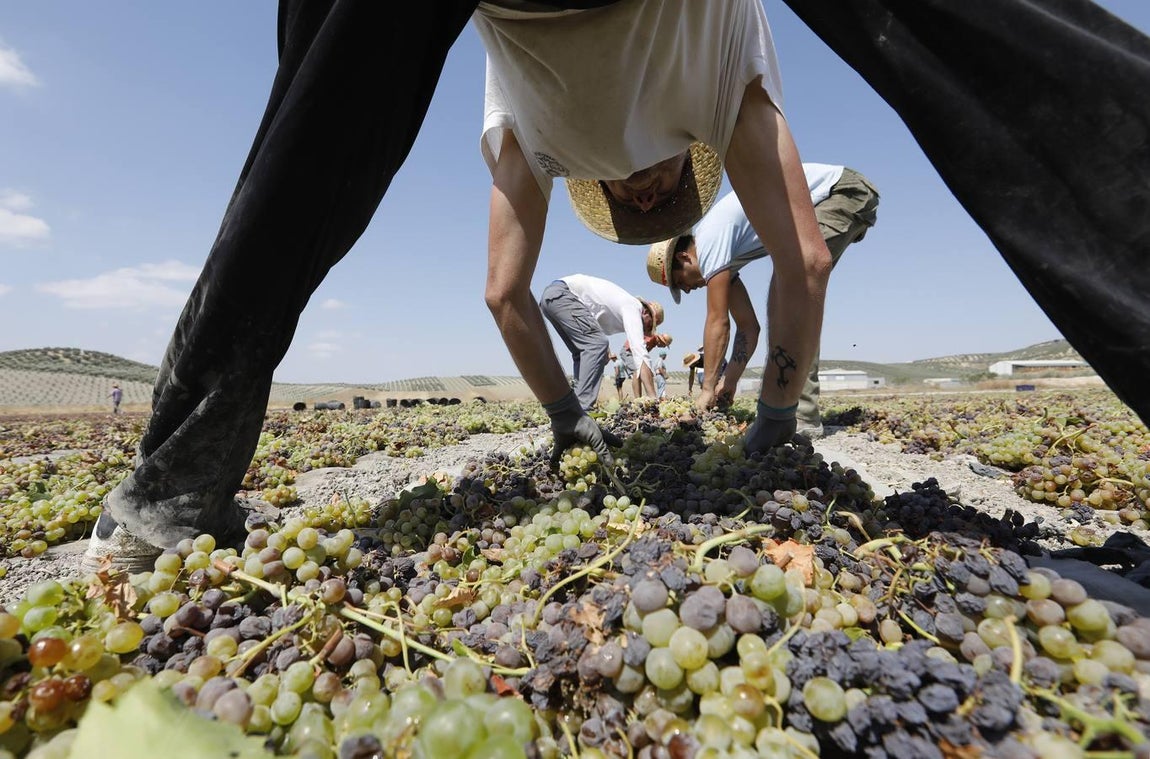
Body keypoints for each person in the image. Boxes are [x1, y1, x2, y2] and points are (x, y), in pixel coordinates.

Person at [476, 0, 832, 463]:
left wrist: (566, 415)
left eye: (643, 201)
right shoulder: (718, 95)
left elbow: (503, 295)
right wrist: (778, 412)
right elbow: (806, 263)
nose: (644, 198)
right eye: (662, 195)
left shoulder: (544, 143)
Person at [647, 164, 879, 438]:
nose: (686, 290)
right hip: (835, 198)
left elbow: (718, 320)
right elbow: (748, 327)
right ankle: (794, 408)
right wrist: (728, 382)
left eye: (680, 282)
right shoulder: (724, 260)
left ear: (684, 258)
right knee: (788, 295)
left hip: (840, 192)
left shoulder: (709, 241)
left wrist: (707, 389)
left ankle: (800, 415)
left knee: (790, 295)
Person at [539, 274, 664, 411]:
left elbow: (591, 320)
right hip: (563, 295)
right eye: (650, 325)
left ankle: (574, 408)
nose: (647, 330)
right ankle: (582, 410)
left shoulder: (622, 307)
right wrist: (653, 398)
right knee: (596, 346)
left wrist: (605, 352)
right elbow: (640, 353)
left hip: (552, 298)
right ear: (646, 313)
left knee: (582, 353)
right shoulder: (634, 307)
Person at [621, 331, 672, 399]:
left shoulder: (653, 343)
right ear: (661, 341)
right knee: (636, 371)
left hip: (635, 354)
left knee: (642, 372)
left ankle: (641, 398)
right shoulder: (650, 338)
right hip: (628, 351)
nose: (664, 347)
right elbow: (638, 348)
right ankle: (638, 399)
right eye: (664, 345)